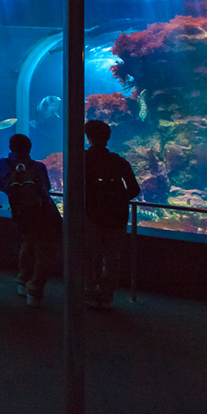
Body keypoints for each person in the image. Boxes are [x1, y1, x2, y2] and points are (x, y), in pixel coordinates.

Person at [0, 133, 62, 308]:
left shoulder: (2, 164)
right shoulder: (38, 166)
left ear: (11, 147)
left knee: (28, 243)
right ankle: (34, 289)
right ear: (30, 148)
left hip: (20, 215)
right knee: (44, 250)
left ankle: (22, 280)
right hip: (43, 214)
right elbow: (46, 188)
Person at [84, 119, 141, 307]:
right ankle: (107, 295)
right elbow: (134, 189)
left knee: (90, 254)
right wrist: (117, 199)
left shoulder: (82, 159)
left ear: (88, 137)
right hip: (117, 217)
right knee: (112, 257)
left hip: (91, 214)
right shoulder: (119, 161)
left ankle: (89, 290)